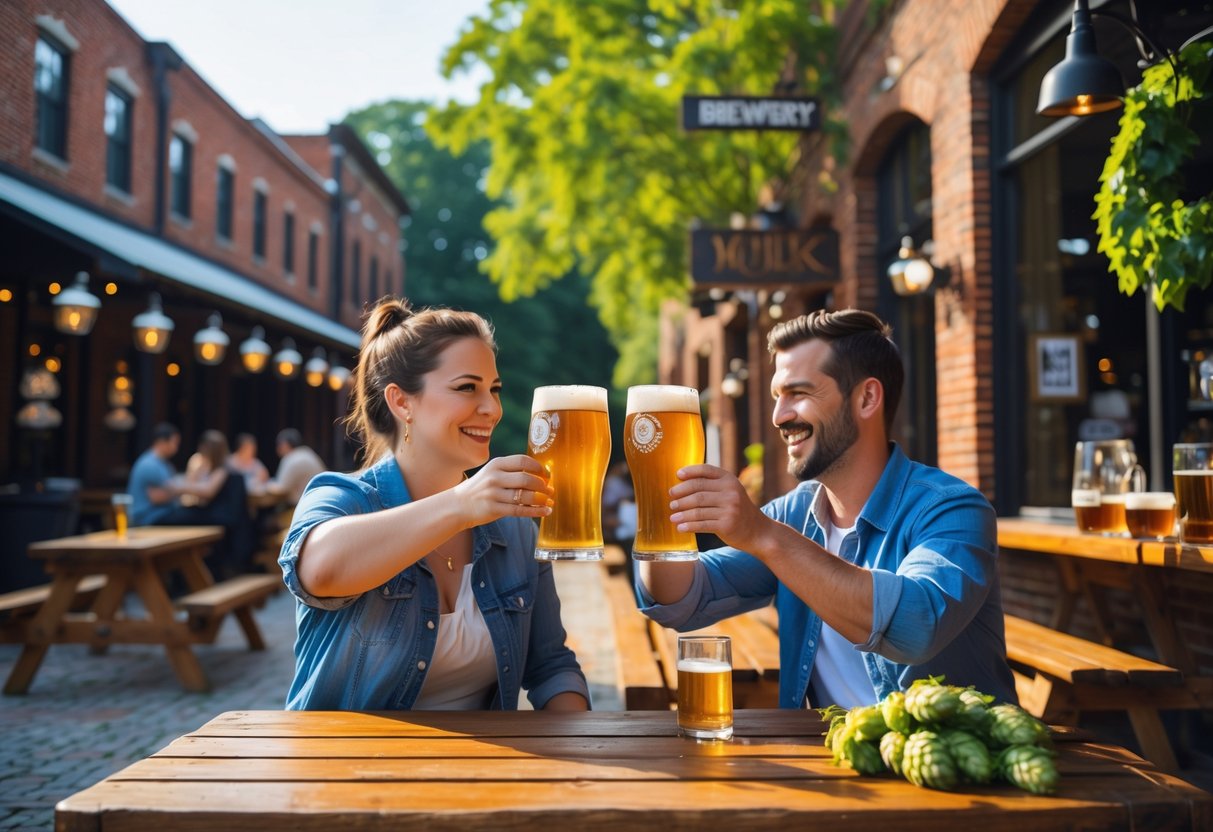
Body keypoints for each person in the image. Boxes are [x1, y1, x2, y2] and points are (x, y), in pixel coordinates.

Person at [636, 308, 1016, 710]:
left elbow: (914, 625)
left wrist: (763, 535)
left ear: (867, 398)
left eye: (798, 394)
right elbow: (680, 599)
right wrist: (655, 491)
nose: (779, 416)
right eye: (777, 396)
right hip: (831, 759)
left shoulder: (951, 510)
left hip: (946, 764)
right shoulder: (795, 515)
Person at [280, 297, 591, 712]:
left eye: (494, 389)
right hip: (346, 769)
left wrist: (585, 750)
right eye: (467, 387)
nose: (492, 408)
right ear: (401, 402)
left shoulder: (514, 529)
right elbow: (320, 570)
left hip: (475, 771)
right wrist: (461, 504)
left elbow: (551, 666)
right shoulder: (343, 497)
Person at [126, 422, 184, 526]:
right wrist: (182, 490)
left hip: (160, 514)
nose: (176, 448)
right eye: (174, 443)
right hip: (148, 517)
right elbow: (157, 497)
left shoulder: (164, 463)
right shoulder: (149, 464)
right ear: (162, 442)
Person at [266, 428, 325, 505]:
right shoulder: (307, 452)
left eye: (278, 445)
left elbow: (281, 489)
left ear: (284, 445)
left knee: (272, 516)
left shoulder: (292, 458)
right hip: (320, 501)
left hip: (305, 506)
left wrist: (265, 483)